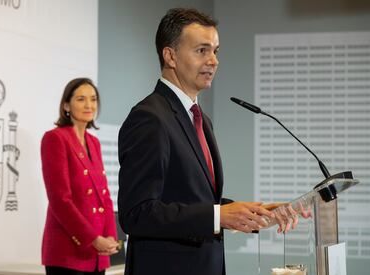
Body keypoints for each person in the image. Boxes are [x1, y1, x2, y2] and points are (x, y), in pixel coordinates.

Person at [118, 8, 305, 275]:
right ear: (170, 56)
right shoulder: (149, 118)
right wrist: (218, 216)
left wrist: (255, 213)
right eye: (202, 50)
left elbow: (192, 198)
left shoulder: (200, 118)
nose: (214, 61)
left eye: (216, 51)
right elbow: (136, 213)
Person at [40, 78, 119, 275]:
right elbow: (60, 200)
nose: (89, 105)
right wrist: (93, 238)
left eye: (93, 99)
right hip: (68, 251)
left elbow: (105, 197)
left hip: (97, 253)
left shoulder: (94, 142)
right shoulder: (55, 139)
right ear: (66, 105)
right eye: (81, 99)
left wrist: (110, 237)